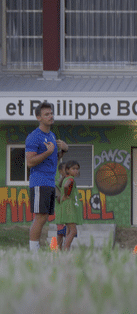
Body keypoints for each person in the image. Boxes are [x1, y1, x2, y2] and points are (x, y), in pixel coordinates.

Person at [25, 101, 68, 251]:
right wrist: (48, 152)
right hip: (39, 181)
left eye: (51, 113)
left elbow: (52, 161)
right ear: (39, 117)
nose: (50, 116)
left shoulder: (52, 135)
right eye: (46, 114)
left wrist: (63, 150)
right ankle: (33, 252)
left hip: (50, 182)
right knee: (40, 217)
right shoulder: (34, 137)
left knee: (44, 218)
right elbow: (30, 162)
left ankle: (35, 249)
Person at [56, 160, 83, 250]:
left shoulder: (66, 178)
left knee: (68, 230)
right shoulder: (70, 179)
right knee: (73, 230)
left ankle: (66, 248)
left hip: (66, 207)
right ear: (67, 170)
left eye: (77, 169)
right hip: (69, 207)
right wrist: (66, 195)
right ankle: (66, 247)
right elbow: (66, 186)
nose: (76, 171)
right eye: (73, 169)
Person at [54, 162, 67, 249]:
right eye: (65, 169)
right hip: (61, 212)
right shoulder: (57, 184)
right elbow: (59, 199)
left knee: (69, 232)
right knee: (60, 233)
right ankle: (58, 250)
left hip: (68, 211)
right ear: (60, 171)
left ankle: (66, 249)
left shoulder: (69, 181)